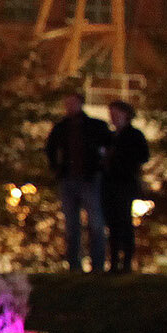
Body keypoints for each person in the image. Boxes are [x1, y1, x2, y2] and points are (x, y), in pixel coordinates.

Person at [43, 90, 112, 273]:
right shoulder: (62, 128)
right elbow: (50, 148)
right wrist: (57, 168)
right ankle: (75, 265)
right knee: (72, 226)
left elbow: (108, 146)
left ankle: (97, 265)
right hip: (69, 179)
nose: (69, 107)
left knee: (95, 223)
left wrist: (100, 165)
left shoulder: (94, 126)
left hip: (88, 178)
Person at [100, 99, 150, 273]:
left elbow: (143, 156)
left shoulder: (133, 136)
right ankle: (114, 261)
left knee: (124, 221)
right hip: (111, 183)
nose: (113, 118)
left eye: (116, 114)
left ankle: (126, 261)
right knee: (113, 222)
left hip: (125, 183)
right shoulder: (111, 137)